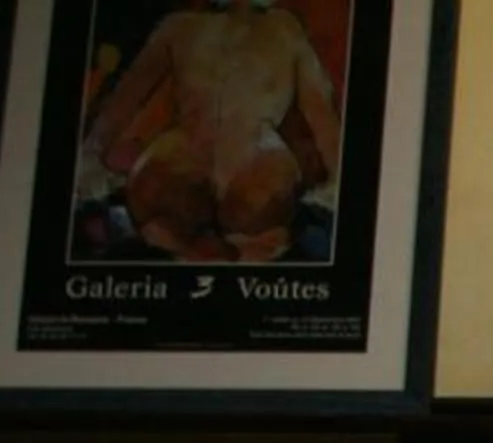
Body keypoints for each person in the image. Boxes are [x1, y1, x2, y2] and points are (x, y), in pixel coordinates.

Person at [78, 0, 342, 265]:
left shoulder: (178, 26)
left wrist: (90, 166)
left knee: (160, 229)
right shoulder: (285, 30)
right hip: (257, 175)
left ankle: (177, 245)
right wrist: (335, 186)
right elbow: (321, 115)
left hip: (174, 170)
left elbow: (122, 104)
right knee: (266, 239)